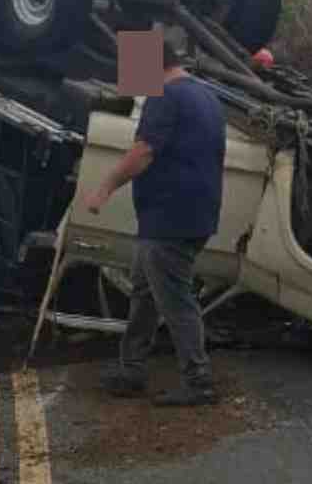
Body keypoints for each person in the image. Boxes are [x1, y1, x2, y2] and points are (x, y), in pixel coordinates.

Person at [82, 34, 227, 406]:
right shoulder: (206, 96)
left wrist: (104, 189)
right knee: (145, 293)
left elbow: (143, 152)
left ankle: (198, 381)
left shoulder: (165, 97)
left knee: (175, 301)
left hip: (170, 218)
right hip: (193, 214)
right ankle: (131, 370)